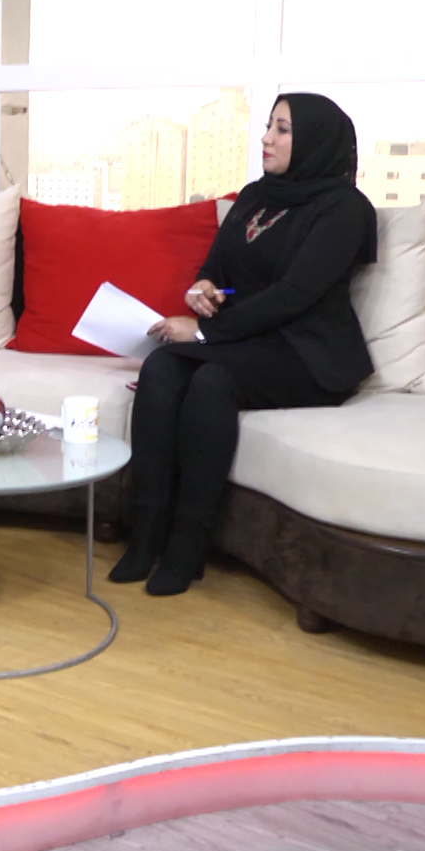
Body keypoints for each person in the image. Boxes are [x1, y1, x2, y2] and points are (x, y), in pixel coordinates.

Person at [110, 93, 378, 596]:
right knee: (162, 367)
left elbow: (296, 295)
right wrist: (202, 288)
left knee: (212, 381)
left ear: (314, 141)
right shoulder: (256, 195)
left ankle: (188, 545)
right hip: (244, 339)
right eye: (269, 126)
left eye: (282, 129)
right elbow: (216, 266)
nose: (266, 138)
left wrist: (203, 331)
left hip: (305, 352)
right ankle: (146, 533)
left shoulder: (344, 209)